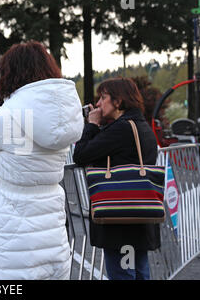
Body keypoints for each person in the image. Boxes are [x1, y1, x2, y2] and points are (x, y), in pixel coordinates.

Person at [0, 41, 84, 280]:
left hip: (11, 233)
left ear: (10, 72)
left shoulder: (9, 115)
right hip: (52, 227)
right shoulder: (63, 116)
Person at [73, 77, 160, 280]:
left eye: (104, 98)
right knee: (139, 272)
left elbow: (81, 155)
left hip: (120, 220)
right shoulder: (141, 126)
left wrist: (92, 124)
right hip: (139, 215)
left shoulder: (122, 129)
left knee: (123, 274)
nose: (99, 103)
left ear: (118, 101)